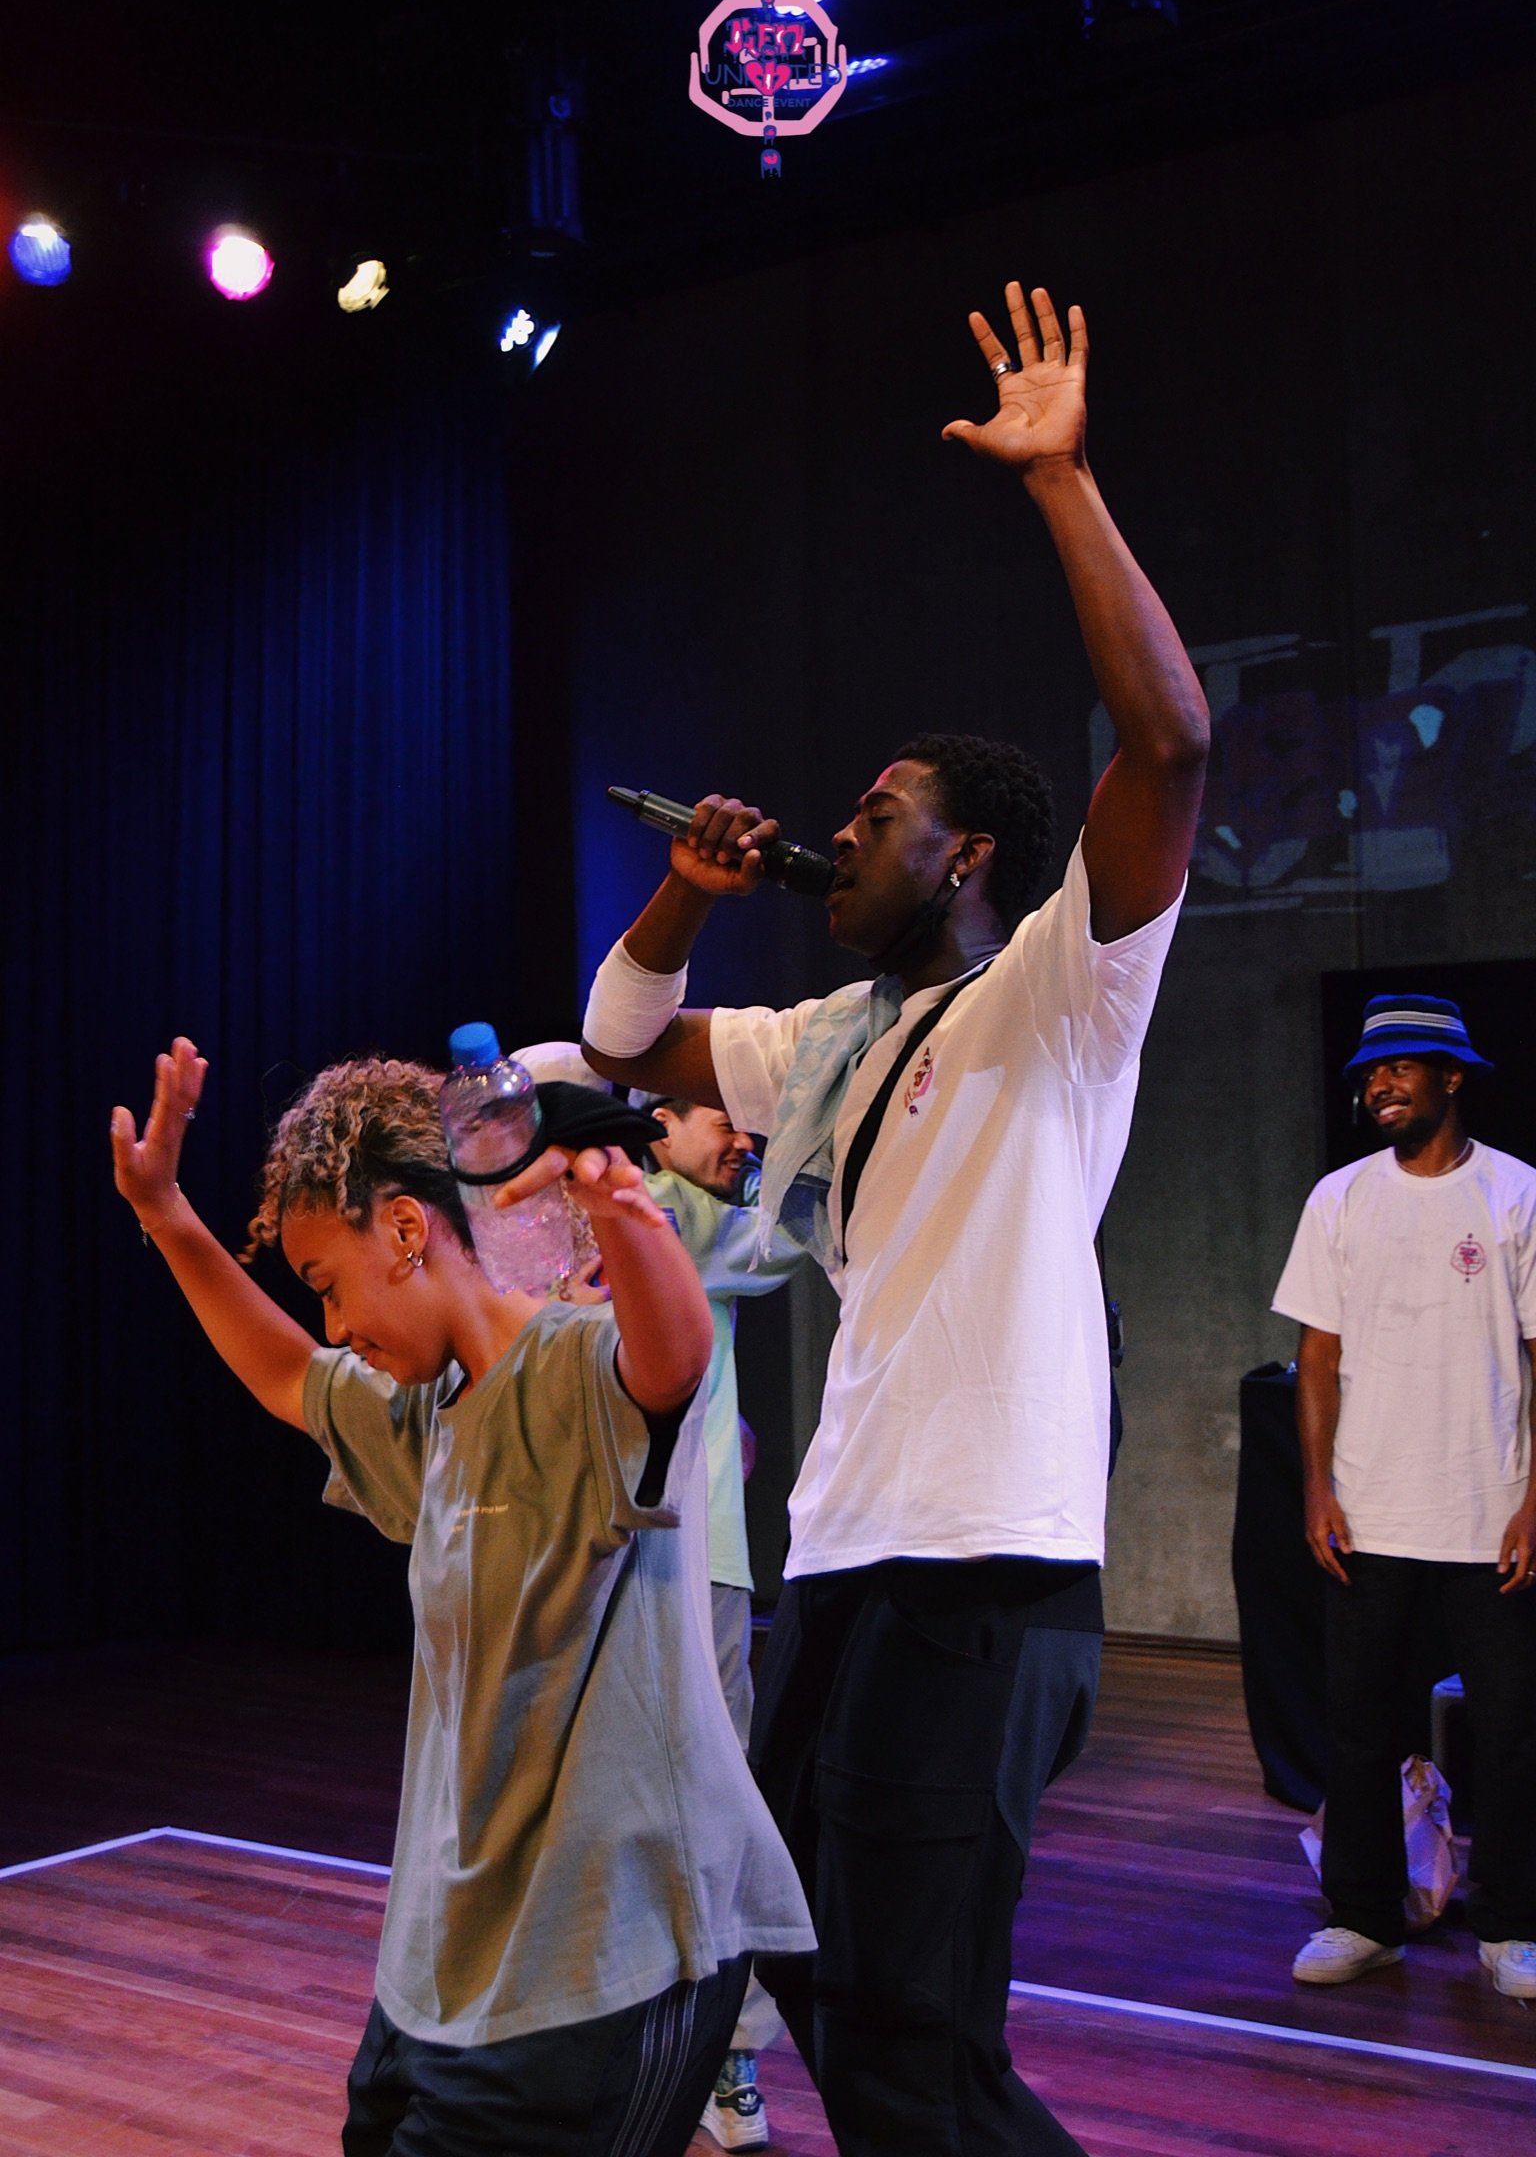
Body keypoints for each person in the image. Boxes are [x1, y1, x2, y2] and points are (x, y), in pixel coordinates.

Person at [581, 278, 1210, 2156]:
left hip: (988, 1562)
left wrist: (1061, 483)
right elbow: (620, 1038)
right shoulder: (824, 1036)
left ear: (972, 858)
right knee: (838, 1995)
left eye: (880, 813)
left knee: (921, 2026)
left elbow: (1169, 747)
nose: (840, 832)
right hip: (849, 1554)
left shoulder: (1049, 996)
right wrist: (684, 894)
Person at [110, 1036, 814, 2157]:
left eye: (329, 1284)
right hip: (455, 1965)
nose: (337, 1327)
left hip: (609, 1960)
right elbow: (289, 1373)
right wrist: (161, 1210)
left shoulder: (575, 1367)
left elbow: (673, 1360)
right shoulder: (428, 1412)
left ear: (402, 1228)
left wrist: (617, 1193)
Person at [1273, 993, 1536, 1998]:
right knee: (1358, 1723)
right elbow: (1317, 1354)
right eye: (1369, 1073)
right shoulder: (1338, 1198)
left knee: (1511, 1727)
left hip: (1490, 1506)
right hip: (1370, 1506)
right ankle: (1363, 1916)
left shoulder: (1517, 1195)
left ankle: (1511, 1924)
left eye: (1403, 1067)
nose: (1379, 1084)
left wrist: (1533, 1502)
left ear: (1453, 1077)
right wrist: (1317, 1488)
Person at [641, 1093, 804, 2152]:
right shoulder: (663, 1215)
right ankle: (704, 2053)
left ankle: (719, 2056)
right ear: (650, 1122)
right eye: (715, 1115)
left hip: (690, 1562)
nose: (737, 1136)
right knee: (704, 1808)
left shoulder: (644, 1216)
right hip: (661, 1564)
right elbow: (800, 1232)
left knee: (709, 1806)